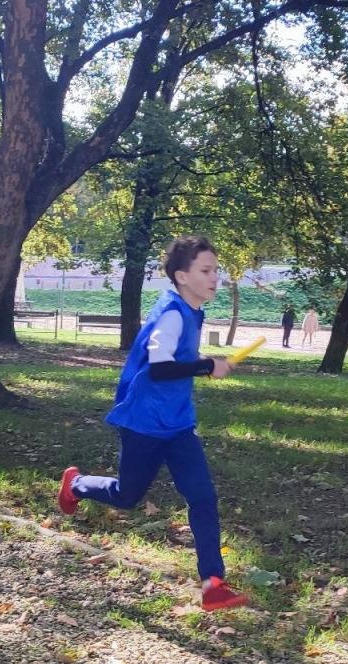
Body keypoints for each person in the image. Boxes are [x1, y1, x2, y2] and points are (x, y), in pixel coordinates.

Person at [57, 235, 250, 612]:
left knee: (202, 498)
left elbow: (174, 367)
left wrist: (203, 365)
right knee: (127, 496)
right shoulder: (173, 314)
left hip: (177, 425)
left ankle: (213, 583)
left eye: (216, 270)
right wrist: (207, 365)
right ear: (182, 276)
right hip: (144, 424)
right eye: (206, 271)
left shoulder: (193, 311)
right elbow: (161, 368)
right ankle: (76, 484)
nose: (216, 278)